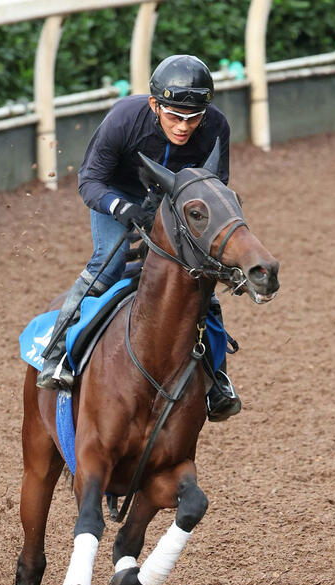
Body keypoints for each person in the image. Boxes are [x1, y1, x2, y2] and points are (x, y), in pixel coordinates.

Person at [37, 54, 241, 422]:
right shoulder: (123, 119)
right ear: (154, 105)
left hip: (172, 206)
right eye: (174, 116)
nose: (184, 127)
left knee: (198, 281)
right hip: (115, 197)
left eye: (193, 119)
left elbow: (213, 188)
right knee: (109, 266)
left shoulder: (216, 128)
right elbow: (90, 180)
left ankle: (218, 381)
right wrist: (120, 208)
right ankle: (56, 358)